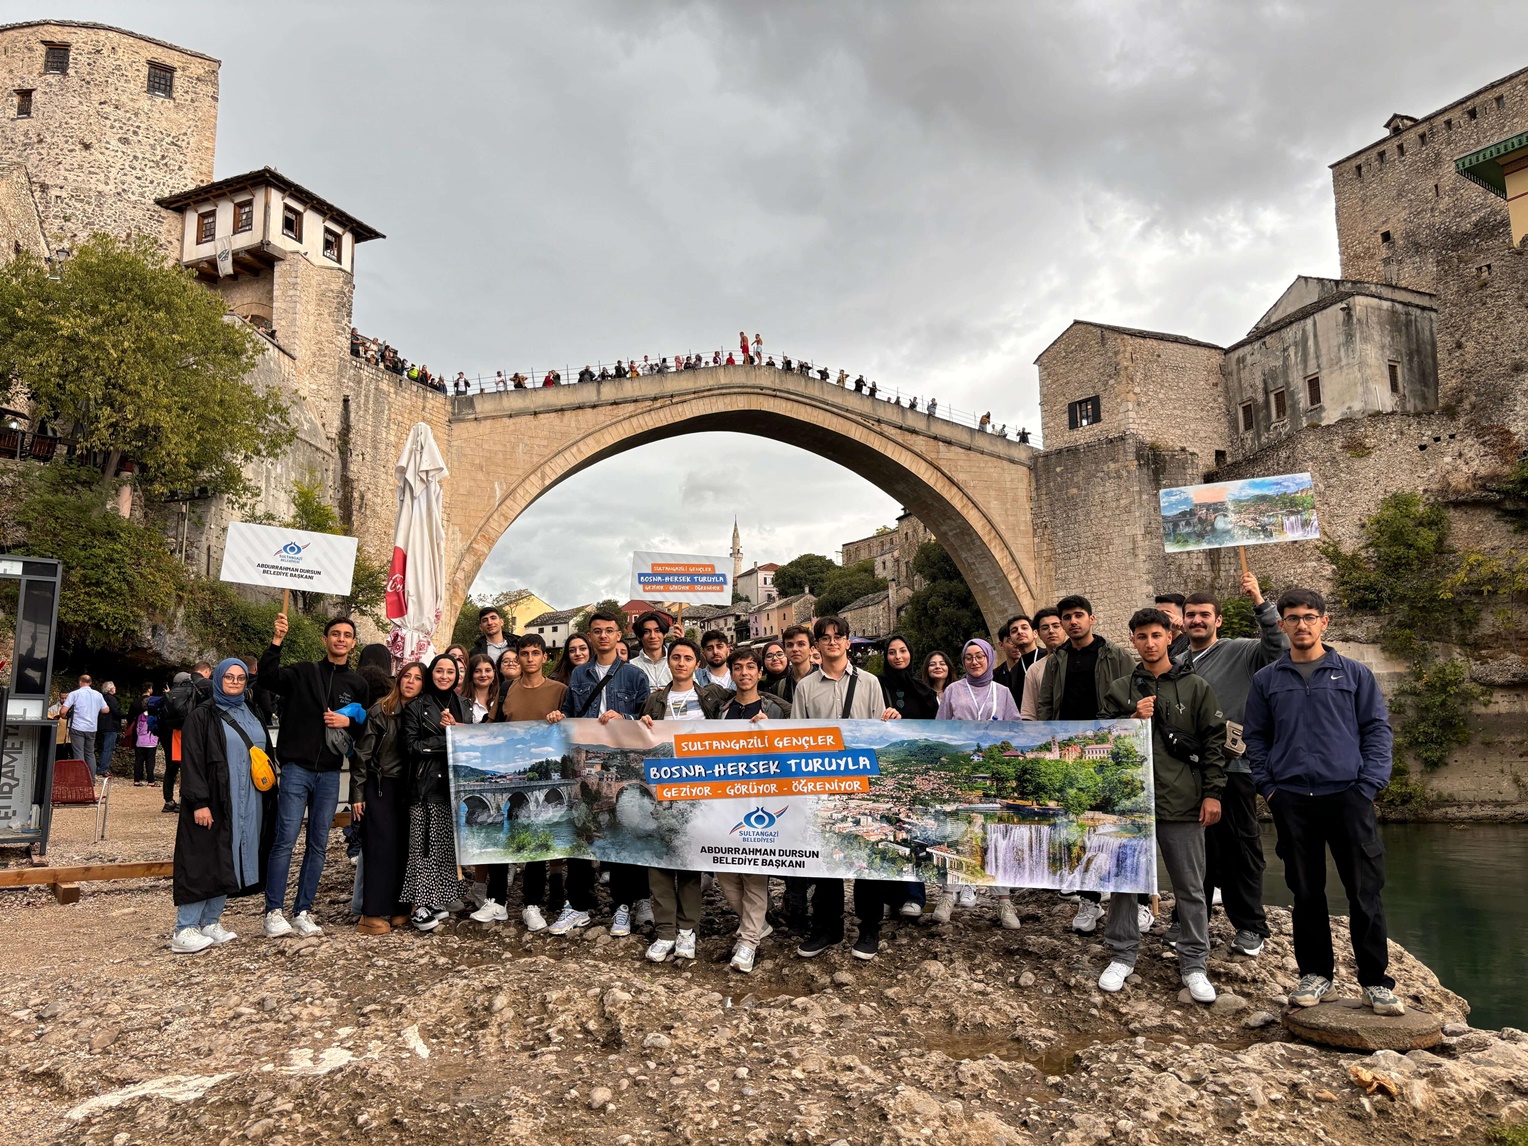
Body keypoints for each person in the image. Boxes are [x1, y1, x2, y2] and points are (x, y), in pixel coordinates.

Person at [1243, 588, 1404, 1016]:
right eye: (1292, 617)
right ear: (1282, 626)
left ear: (1324, 622)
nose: (1301, 624)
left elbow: (1377, 730)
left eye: (1309, 617)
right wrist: (1269, 787)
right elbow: (1255, 738)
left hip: (1349, 796)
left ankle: (1375, 982)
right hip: (1292, 799)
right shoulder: (1267, 680)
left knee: (1365, 891)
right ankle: (1316, 976)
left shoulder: (1353, 674)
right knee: (1306, 890)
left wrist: (1369, 784)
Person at [1095, 608, 1226, 1005]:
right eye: (1141, 636)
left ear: (1170, 636)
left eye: (1156, 635)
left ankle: (1194, 962)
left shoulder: (1196, 687)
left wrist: (1213, 793)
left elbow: (1214, 743)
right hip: (1130, 803)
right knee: (1123, 883)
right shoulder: (1120, 689)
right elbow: (1098, 739)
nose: (1149, 643)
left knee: (1190, 885)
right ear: (1132, 640)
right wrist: (1132, 718)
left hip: (1181, 800)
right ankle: (1121, 954)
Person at [1175, 572, 1284, 958]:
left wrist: (1259, 601)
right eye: (1191, 615)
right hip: (1187, 772)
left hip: (1235, 770)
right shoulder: (1177, 661)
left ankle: (1251, 925)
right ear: (1183, 621)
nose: (1197, 621)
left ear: (1217, 620)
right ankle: (1190, 920)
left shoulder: (1241, 651)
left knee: (1241, 848)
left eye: (1205, 615)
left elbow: (1277, 648)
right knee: (1193, 849)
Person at [790, 615, 899, 961]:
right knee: (825, 855)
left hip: (861, 780)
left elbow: (879, 736)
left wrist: (890, 723)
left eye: (839, 637)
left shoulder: (869, 683)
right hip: (822, 780)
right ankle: (828, 926)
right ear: (817, 645)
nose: (832, 642)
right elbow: (797, 737)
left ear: (848, 642)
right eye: (825, 637)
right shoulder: (806, 687)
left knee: (866, 853)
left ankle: (869, 927)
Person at [259, 614, 368, 939]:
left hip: (330, 773)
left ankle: (303, 910)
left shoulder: (357, 684)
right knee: (285, 840)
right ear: (325, 640)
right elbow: (267, 678)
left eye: (347, 635)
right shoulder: (303, 672)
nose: (341, 639)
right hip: (296, 768)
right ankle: (273, 911)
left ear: (352, 642)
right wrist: (277, 640)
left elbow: (364, 729)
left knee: (318, 844)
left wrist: (348, 723)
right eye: (335, 634)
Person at [546, 610, 653, 937]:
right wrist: (558, 716)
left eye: (609, 631)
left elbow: (649, 721)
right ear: (590, 637)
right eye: (597, 631)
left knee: (621, 831)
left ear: (619, 635)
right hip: (587, 764)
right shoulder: (579, 675)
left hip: (622, 763)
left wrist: (625, 716)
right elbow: (575, 716)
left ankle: (623, 905)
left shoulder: (635, 676)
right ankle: (577, 905)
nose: (603, 636)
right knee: (582, 831)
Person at [1035, 595, 1133, 932]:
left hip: (1109, 749)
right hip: (1071, 753)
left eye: (1079, 616)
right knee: (1078, 826)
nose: (1073, 622)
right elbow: (1046, 703)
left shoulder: (1116, 655)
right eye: (1067, 617)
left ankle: (1128, 903)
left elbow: (1133, 696)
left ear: (1092, 619)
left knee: (1121, 825)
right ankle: (1089, 901)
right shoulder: (1056, 660)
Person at [639, 638, 731, 963]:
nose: (681, 663)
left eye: (687, 658)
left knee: (689, 859)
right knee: (660, 859)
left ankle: (687, 930)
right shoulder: (654, 700)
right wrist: (637, 724)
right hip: (661, 788)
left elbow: (752, 702)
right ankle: (665, 931)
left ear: (697, 664)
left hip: (697, 789)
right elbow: (637, 741)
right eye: (675, 657)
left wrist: (764, 716)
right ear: (669, 661)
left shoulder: (711, 696)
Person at [170, 659, 268, 953]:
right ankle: (184, 928)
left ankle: (210, 920)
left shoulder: (251, 711)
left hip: (246, 799)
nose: (236, 682)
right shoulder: (203, 715)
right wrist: (198, 802)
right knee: (201, 858)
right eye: (229, 677)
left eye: (240, 677)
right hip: (212, 799)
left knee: (230, 855)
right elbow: (192, 760)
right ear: (218, 680)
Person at [931, 638, 1021, 927]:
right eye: (968, 657)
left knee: (995, 838)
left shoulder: (1003, 692)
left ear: (990, 658)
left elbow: (1015, 731)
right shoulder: (953, 691)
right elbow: (939, 732)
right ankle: (948, 895)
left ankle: (1004, 902)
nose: (974, 661)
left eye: (979, 656)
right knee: (957, 834)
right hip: (961, 775)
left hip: (993, 777)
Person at [489, 636, 569, 929]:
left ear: (545, 657)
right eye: (525, 653)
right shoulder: (507, 689)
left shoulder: (560, 691)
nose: (530, 658)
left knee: (536, 836)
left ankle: (532, 904)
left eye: (536, 653)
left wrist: (562, 718)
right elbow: (492, 730)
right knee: (501, 830)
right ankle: (496, 901)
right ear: (518, 658)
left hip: (543, 776)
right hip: (509, 773)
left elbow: (572, 730)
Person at [353, 661, 424, 935]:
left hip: (408, 788)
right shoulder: (380, 710)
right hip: (382, 785)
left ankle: (398, 909)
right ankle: (369, 915)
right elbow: (362, 755)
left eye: (417, 679)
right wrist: (358, 794)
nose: (411, 682)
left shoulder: (420, 712)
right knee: (379, 851)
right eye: (407, 676)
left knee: (402, 849)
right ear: (399, 679)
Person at [401, 655, 467, 932]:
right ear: (432, 674)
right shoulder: (417, 706)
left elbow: (470, 740)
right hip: (425, 785)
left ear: (456, 676)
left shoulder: (462, 704)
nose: (444, 676)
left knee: (445, 846)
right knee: (423, 846)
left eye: (450, 671)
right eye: (439, 671)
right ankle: (419, 905)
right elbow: (411, 746)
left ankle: (438, 898)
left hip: (454, 786)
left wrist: (460, 731)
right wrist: (448, 736)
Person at [879, 635, 937, 920]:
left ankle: (915, 895)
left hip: (914, 770)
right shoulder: (874, 686)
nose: (898, 656)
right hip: (884, 768)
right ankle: (891, 896)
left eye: (903, 651)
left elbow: (933, 732)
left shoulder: (924, 692)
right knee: (887, 832)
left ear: (911, 654)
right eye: (892, 652)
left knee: (913, 832)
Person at [161, 664, 214, 812]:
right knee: (191, 766)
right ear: (206, 671)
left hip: (173, 732)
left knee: (171, 768)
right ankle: (184, 800)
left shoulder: (173, 692)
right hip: (193, 731)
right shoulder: (202, 685)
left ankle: (168, 801)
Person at [1018, 608, 1067, 720]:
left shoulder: (1078, 661)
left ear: (1064, 628)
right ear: (1038, 634)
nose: (1051, 631)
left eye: (1056, 626)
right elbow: (1029, 713)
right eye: (1045, 628)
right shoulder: (1034, 669)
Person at [60, 674, 109, 776]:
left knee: (78, 753)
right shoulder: (98, 695)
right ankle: (92, 778)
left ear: (80, 682)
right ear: (90, 683)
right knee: (90, 753)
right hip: (92, 727)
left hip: (77, 727)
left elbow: (63, 711)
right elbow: (106, 710)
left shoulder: (74, 694)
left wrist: (64, 716)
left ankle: (81, 778)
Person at [992, 616, 1043, 711]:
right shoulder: (1014, 670)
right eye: (1014, 631)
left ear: (1035, 633)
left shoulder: (1048, 658)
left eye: (1024, 628)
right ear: (1011, 639)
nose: (1019, 632)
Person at [126, 684, 160, 786]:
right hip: (151, 740)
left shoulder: (138, 714)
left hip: (139, 739)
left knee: (139, 759)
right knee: (150, 760)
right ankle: (151, 780)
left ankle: (137, 779)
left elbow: (130, 719)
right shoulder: (154, 716)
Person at [630, 610, 674, 689]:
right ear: (639, 637)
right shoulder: (631, 666)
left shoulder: (678, 663)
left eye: (657, 631)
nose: (653, 636)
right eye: (647, 632)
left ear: (665, 634)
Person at [776, 624, 818, 705]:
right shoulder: (780, 687)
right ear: (785, 651)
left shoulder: (825, 682)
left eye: (801, 644)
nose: (795, 649)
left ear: (811, 650)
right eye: (790, 645)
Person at [96, 681, 122, 777]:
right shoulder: (111, 699)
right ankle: (103, 768)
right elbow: (116, 711)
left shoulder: (102, 698)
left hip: (103, 725)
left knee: (104, 747)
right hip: (111, 726)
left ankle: (101, 767)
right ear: (111, 689)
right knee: (108, 748)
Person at [464, 654, 500, 724]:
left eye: (487, 670)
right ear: (470, 674)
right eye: (477, 671)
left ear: (494, 673)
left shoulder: (502, 699)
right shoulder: (462, 702)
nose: (483, 675)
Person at [1154, 593, 1190, 660]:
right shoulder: (1153, 645)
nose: (1159, 618)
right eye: (1156, 614)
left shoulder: (1190, 643)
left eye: (1166, 614)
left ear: (1182, 616)